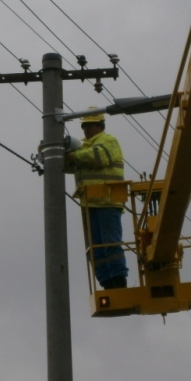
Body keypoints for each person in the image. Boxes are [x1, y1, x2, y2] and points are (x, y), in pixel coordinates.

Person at [65, 109, 129, 289]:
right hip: (90, 204)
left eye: (88, 125)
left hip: (108, 202)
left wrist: (73, 155)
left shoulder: (108, 141)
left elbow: (97, 157)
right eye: (84, 126)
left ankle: (118, 280)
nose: (85, 129)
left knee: (110, 244)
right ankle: (106, 282)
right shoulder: (82, 146)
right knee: (95, 248)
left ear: (99, 126)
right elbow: (69, 164)